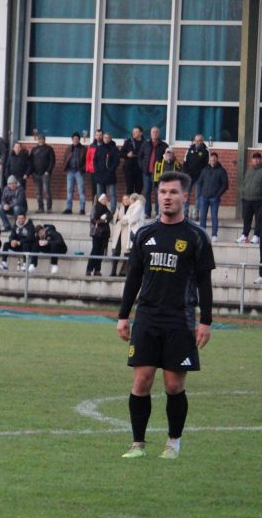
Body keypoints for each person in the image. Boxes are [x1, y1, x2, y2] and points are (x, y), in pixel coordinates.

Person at [117, 171, 214, 460]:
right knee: (141, 381)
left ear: (185, 196)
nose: (167, 197)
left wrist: (206, 321)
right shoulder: (145, 234)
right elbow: (133, 278)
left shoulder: (196, 236)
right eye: (162, 192)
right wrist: (123, 316)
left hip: (180, 320)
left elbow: (204, 283)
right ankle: (137, 444)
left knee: (173, 385)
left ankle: (173, 443)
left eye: (173, 192)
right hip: (147, 317)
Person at [196, 153, 228, 241]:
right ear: (209, 160)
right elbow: (199, 182)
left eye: (214, 159)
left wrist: (218, 195)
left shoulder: (221, 171)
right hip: (204, 197)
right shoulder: (204, 170)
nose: (212, 161)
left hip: (214, 198)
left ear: (217, 160)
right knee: (202, 216)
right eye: (211, 159)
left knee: (214, 216)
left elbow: (225, 184)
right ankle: (202, 234)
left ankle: (214, 235)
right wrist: (200, 194)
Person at [138, 126, 168, 217]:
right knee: (146, 192)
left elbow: (167, 159)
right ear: (150, 133)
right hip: (146, 173)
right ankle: (147, 212)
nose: (154, 134)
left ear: (158, 133)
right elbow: (140, 156)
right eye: (153, 132)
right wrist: (142, 166)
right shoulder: (145, 144)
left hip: (158, 174)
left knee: (158, 193)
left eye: (156, 132)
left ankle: (158, 212)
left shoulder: (164, 145)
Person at [237, 152, 262, 244]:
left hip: (258, 199)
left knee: (259, 219)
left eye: (258, 158)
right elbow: (245, 183)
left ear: (260, 160)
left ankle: (256, 236)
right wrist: (243, 193)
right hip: (247, 199)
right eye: (254, 158)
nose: (256, 160)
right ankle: (245, 235)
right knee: (247, 218)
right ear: (252, 160)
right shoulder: (249, 171)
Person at [86, 193, 112, 277]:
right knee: (95, 251)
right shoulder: (95, 208)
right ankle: (89, 269)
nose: (106, 201)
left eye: (106, 199)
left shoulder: (105, 209)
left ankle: (97, 270)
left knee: (101, 251)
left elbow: (110, 216)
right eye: (104, 199)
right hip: (97, 233)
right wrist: (103, 221)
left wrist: (103, 220)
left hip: (104, 233)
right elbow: (93, 219)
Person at [93, 132, 120, 211]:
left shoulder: (114, 149)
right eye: (105, 137)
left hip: (110, 174)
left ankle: (112, 211)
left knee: (112, 194)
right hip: (100, 174)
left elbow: (116, 161)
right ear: (103, 138)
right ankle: (100, 210)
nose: (106, 139)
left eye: (108, 138)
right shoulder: (99, 148)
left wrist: (110, 170)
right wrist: (96, 169)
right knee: (100, 195)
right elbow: (95, 160)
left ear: (110, 138)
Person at [183, 134, 209, 217]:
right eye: (196, 140)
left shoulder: (206, 151)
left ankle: (196, 211)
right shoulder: (189, 149)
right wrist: (185, 173)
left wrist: (203, 176)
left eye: (199, 141)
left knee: (198, 195)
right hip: (189, 176)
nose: (197, 142)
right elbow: (185, 162)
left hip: (199, 177)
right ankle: (185, 210)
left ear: (202, 141)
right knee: (186, 194)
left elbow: (207, 165)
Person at [62, 132, 87, 215]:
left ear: (79, 140)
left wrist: (83, 169)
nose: (75, 140)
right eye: (74, 139)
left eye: (77, 139)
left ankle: (82, 209)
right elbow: (65, 159)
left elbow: (86, 161)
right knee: (69, 191)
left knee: (81, 191)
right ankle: (69, 208)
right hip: (70, 172)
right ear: (72, 140)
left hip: (79, 171)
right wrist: (66, 167)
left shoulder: (83, 149)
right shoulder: (69, 148)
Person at [30, 134, 55, 213]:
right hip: (36, 174)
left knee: (46, 191)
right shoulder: (34, 149)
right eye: (39, 139)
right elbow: (30, 161)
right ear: (37, 140)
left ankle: (49, 208)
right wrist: (32, 172)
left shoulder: (49, 149)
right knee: (38, 192)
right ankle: (40, 208)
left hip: (45, 174)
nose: (41, 140)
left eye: (42, 139)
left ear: (44, 140)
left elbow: (52, 161)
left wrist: (48, 171)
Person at [109, 195, 131, 277]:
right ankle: (113, 271)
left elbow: (129, 220)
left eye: (127, 199)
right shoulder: (119, 208)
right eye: (124, 199)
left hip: (126, 233)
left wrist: (122, 219)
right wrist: (120, 219)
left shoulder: (132, 208)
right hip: (118, 232)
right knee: (115, 252)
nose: (125, 201)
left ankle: (124, 272)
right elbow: (115, 219)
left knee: (127, 252)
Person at [119, 126, 145, 195]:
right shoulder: (129, 141)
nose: (133, 133)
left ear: (141, 133)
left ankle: (137, 202)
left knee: (138, 189)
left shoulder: (145, 143)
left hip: (140, 169)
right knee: (129, 188)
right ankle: (129, 202)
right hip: (129, 169)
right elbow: (120, 153)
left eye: (136, 132)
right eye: (133, 132)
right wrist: (127, 155)